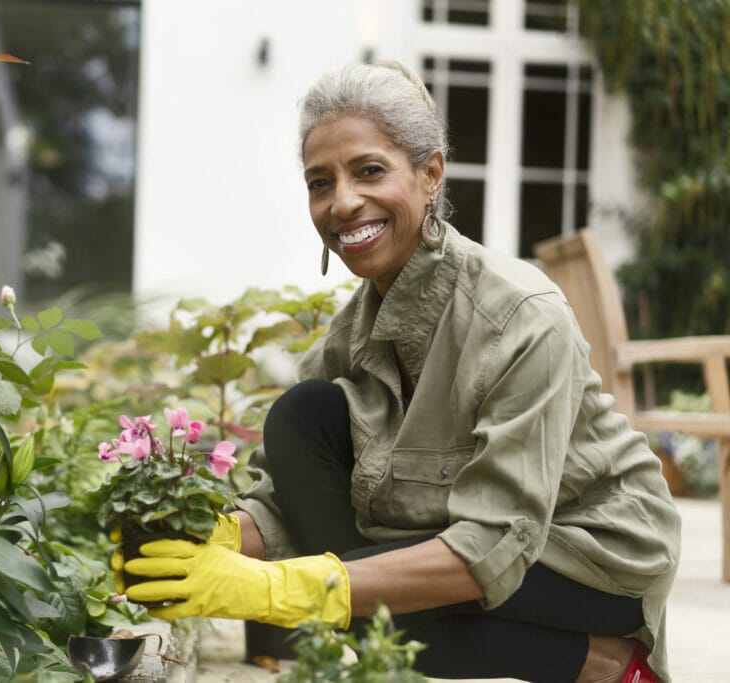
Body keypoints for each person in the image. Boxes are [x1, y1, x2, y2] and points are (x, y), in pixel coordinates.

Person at [114, 61, 681, 683]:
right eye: (319, 182)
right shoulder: (355, 328)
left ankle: (612, 666)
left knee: (397, 618)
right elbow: (286, 500)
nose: (343, 202)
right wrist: (207, 540)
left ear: (430, 174)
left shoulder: (519, 315)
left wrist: (280, 588)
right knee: (303, 415)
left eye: (370, 171)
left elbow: (492, 546)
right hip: (471, 535)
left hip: (588, 549)